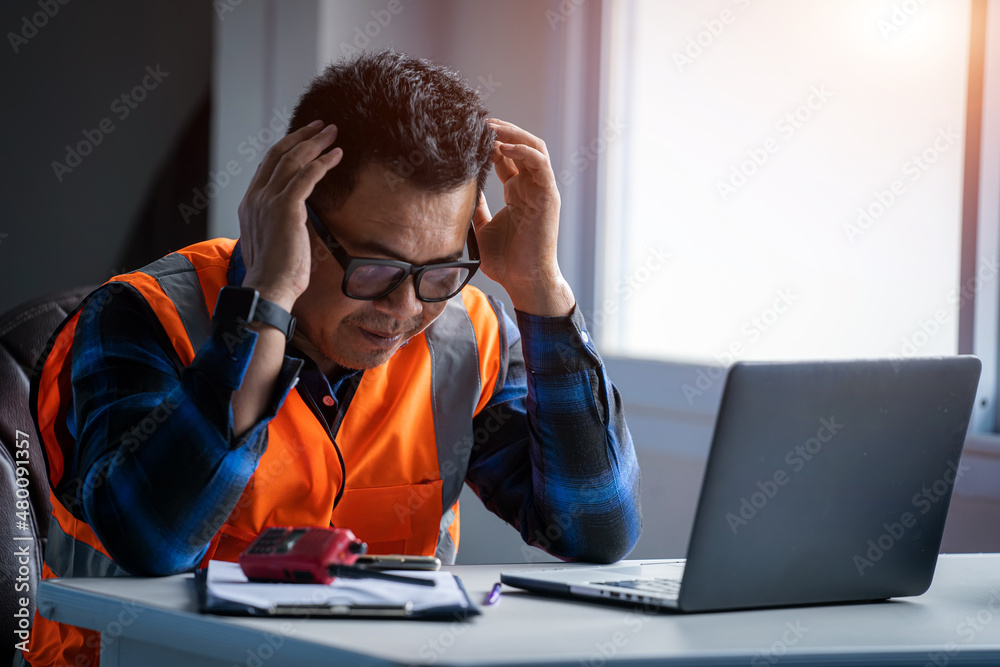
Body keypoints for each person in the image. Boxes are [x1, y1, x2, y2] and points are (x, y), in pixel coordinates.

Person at [21, 50, 641, 666]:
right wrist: (265, 304)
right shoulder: (143, 316)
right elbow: (153, 541)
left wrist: (541, 292)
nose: (403, 307)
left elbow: (594, 533)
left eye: (441, 271)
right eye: (375, 268)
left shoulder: (467, 338)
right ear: (295, 217)